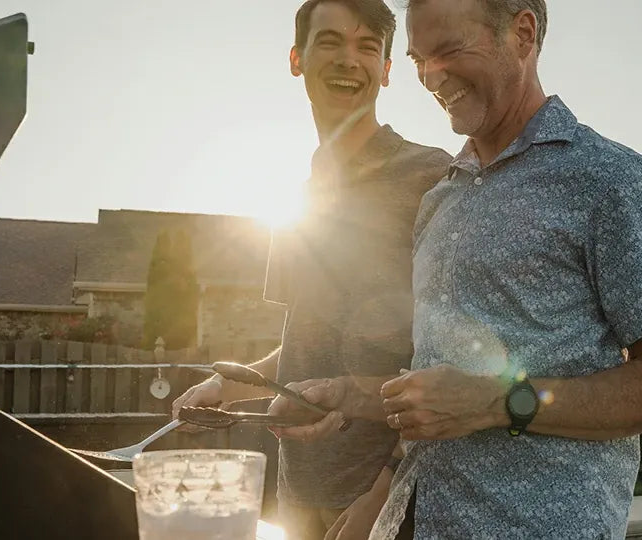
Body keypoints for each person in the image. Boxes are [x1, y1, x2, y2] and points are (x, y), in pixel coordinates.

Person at [271, 1, 642, 538]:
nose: (432, 76)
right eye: (418, 58)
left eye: (449, 50)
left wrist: (498, 402)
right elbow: (437, 386)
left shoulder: (607, 177)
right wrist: (350, 395)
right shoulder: (441, 197)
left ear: (522, 34)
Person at [170, 1, 452, 539]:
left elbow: (454, 351)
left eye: (368, 46)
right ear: (297, 59)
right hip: (298, 495)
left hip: (390, 501)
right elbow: (305, 345)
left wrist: (386, 493)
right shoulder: (299, 199)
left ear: (388, 69)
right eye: (330, 42)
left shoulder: (429, 175)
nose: (349, 60)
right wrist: (228, 386)